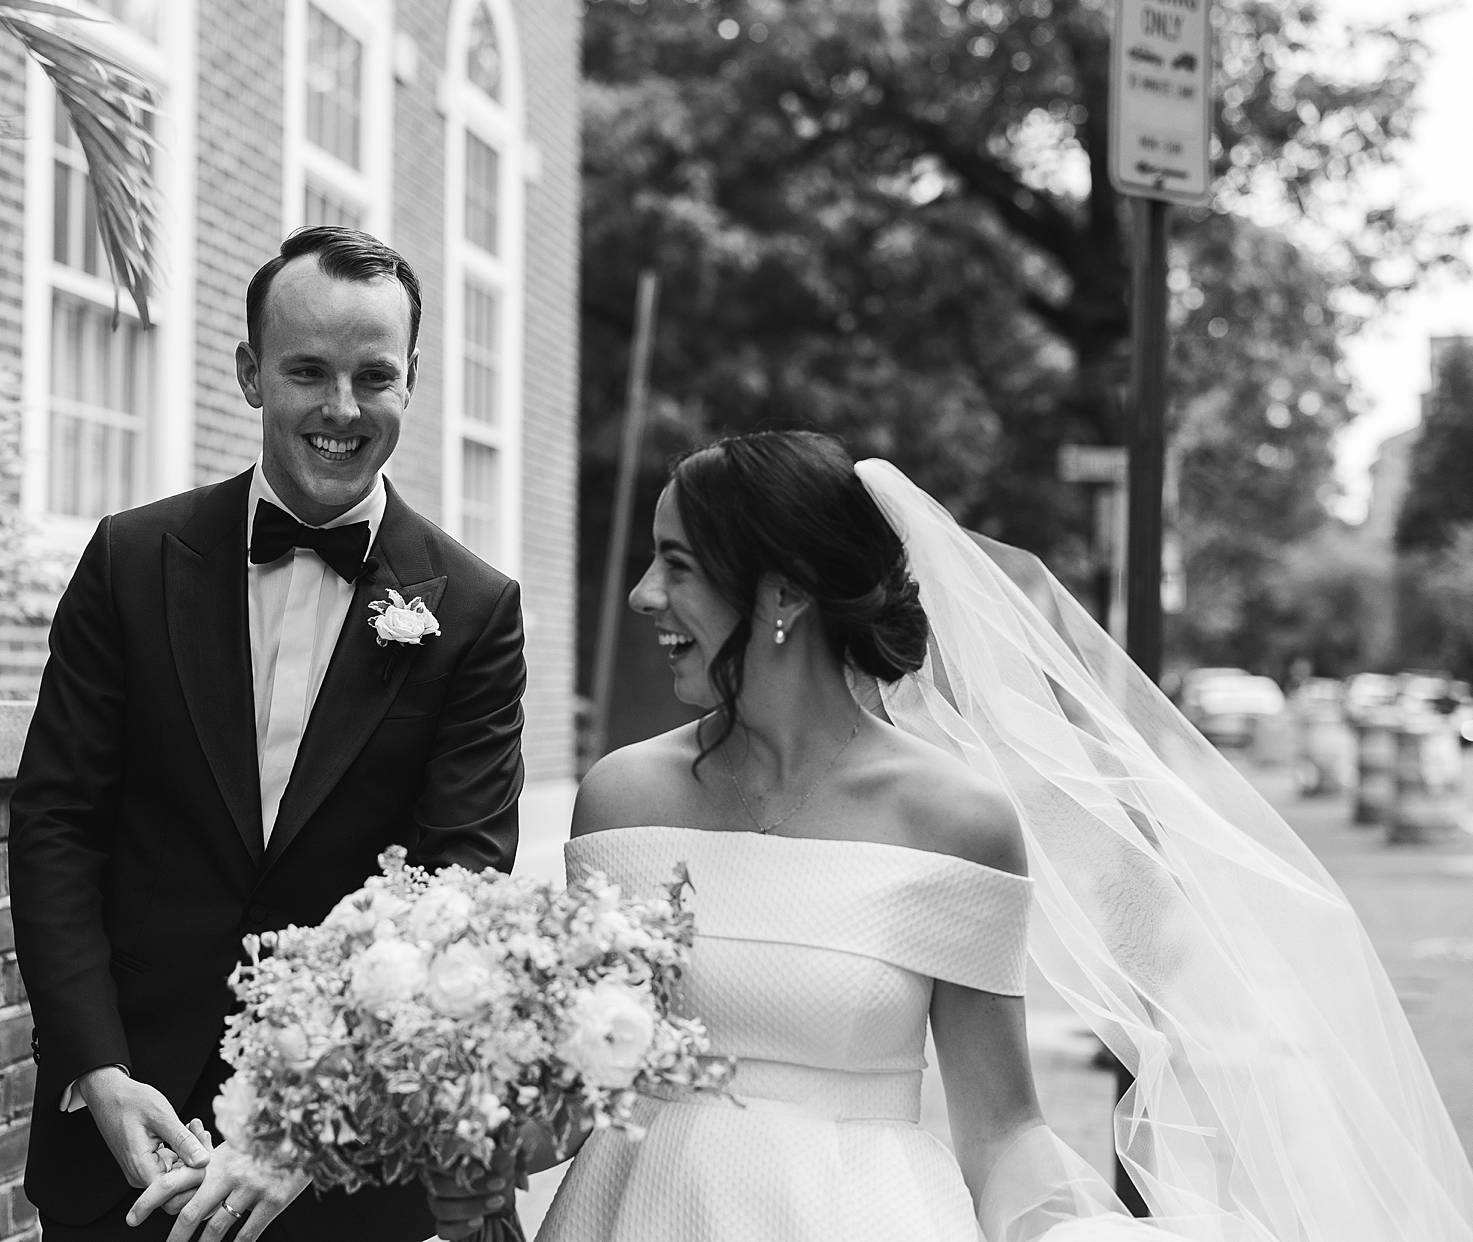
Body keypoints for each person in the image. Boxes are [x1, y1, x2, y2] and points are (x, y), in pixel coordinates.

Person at [438, 429, 1473, 1242]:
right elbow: (576, 1090)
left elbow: (1001, 1125)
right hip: (630, 1214)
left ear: (783, 594)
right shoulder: (622, 798)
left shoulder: (954, 821)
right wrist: (474, 1148)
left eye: (675, 565)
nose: (641, 596)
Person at [10, 225, 528, 1242]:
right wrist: (96, 1069)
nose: (341, 409)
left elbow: (456, 892)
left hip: (348, 1177)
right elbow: (57, 824)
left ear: (412, 382)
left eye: (372, 375)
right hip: (125, 1139)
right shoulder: (129, 560)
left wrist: (312, 1126)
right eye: (307, 371)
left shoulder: (473, 609)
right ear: (250, 374)